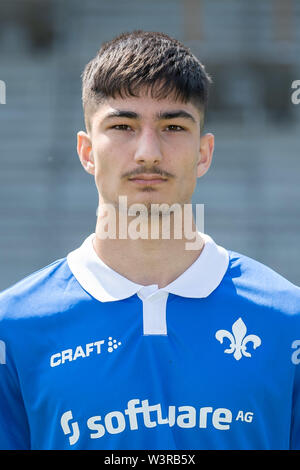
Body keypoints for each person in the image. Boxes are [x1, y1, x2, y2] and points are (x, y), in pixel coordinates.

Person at [0, 30, 300, 451]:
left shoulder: (288, 321)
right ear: (87, 152)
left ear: (204, 152)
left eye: (173, 126)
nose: (148, 152)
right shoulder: (12, 328)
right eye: (122, 125)